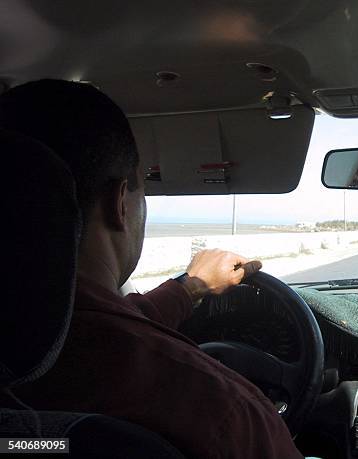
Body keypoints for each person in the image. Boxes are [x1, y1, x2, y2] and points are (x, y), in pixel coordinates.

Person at [0, 79, 302, 458]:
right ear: (119, 205)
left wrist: (191, 287)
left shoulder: (24, 346)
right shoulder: (222, 411)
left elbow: (91, 322)